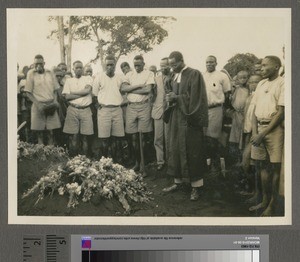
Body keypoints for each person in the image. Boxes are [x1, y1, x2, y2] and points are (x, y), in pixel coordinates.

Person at [162, 51, 208, 201]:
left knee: (192, 150)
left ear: (182, 61)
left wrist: (178, 98)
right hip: (176, 118)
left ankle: (196, 187)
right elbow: (170, 93)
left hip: (189, 120)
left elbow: (196, 97)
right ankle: (178, 182)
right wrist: (170, 97)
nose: (172, 67)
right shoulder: (173, 76)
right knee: (175, 148)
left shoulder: (194, 74)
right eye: (170, 65)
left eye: (174, 64)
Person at [250, 56, 284, 216]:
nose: (261, 68)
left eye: (265, 65)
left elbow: (280, 113)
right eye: (261, 66)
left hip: (273, 130)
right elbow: (254, 110)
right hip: (259, 130)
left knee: (276, 168)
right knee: (262, 167)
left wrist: (263, 133)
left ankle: (272, 205)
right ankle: (264, 200)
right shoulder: (261, 84)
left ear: (276, 67)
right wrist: (255, 132)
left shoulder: (282, 83)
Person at [121, 55, 155, 172]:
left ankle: (143, 164)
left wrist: (132, 89)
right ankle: (137, 162)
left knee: (143, 137)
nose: (136, 67)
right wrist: (139, 86)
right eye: (135, 65)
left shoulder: (149, 74)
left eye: (139, 65)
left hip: (144, 106)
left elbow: (148, 90)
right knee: (133, 137)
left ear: (143, 64)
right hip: (131, 107)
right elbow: (124, 89)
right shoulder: (129, 74)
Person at [92, 55, 125, 161]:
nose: (110, 67)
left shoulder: (120, 77)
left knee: (117, 138)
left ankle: (115, 162)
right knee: (104, 138)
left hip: (117, 109)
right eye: (108, 65)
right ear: (104, 66)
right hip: (104, 110)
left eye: (112, 65)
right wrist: (99, 106)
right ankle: (105, 162)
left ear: (115, 65)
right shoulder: (99, 77)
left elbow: (123, 91)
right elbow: (94, 94)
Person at [202, 55, 231, 173]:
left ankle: (216, 165)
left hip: (216, 109)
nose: (209, 64)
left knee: (213, 138)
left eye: (211, 62)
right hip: (203, 110)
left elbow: (227, 94)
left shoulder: (222, 76)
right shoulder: (202, 76)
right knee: (204, 137)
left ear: (216, 63)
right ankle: (207, 164)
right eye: (207, 62)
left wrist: (224, 111)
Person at [24, 55, 61, 145]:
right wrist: (38, 104)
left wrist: (55, 101)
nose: (38, 66)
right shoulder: (31, 74)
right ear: (34, 64)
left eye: (40, 63)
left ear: (44, 63)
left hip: (50, 104)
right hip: (38, 105)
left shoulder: (50, 73)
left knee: (50, 132)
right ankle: (41, 155)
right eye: (36, 64)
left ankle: (50, 153)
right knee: (39, 133)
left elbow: (55, 90)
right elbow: (28, 92)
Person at [62, 60, 94, 156]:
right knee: (74, 136)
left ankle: (84, 160)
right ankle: (74, 161)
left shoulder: (88, 78)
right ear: (73, 69)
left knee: (85, 137)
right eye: (77, 68)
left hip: (86, 109)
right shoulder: (69, 81)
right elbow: (67, 97)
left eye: (81, 67)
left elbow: (87, 91)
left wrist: (72, 93)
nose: (79, 69)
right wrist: (82, 93)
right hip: (73, 109)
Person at [151, 58, 171, 171]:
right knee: (158, 139)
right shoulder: (156, 79)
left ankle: (170, 161)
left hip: (170, 112)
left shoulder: (174, 77)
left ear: (170, 66)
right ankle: (160, 161)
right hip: (158, 111)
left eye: (166, 66)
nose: (164, 68)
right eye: (162, 66)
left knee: (169, 138)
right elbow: (152, 95)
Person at [228, 70, 250, 165]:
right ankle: (237, 159)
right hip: (237, 116)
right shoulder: (235, 89)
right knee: (236, 137)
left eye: (245, 77)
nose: (242, 80)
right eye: (240, 78)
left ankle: (244, 160)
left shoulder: (249, 89)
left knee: (245, 137)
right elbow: (231, 101)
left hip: (246, 115)